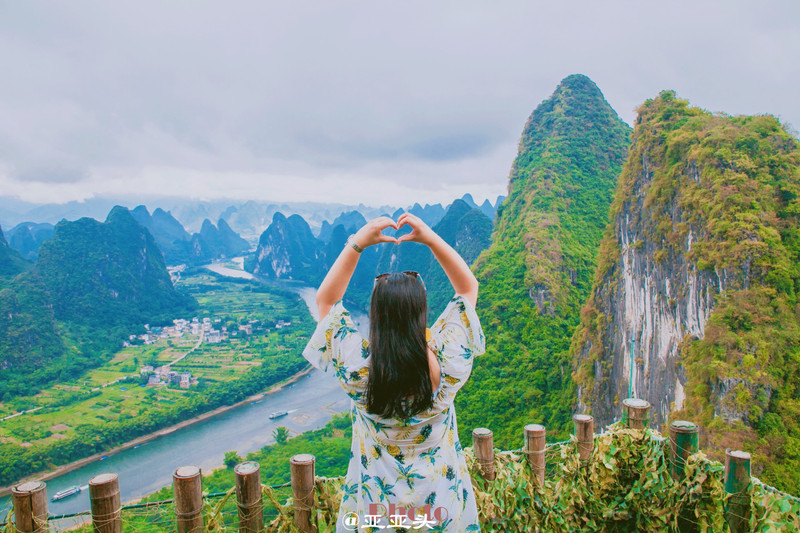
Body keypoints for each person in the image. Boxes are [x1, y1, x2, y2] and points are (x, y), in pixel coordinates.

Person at [302, 212, 485, 532]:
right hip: (439, 514)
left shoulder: (359, 372)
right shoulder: (448, 367)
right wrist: (429, 237)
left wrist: (356, 243)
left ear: (376, 315)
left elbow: (326, 301)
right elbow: (468, 289)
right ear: (421, 312)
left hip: (377, 517)